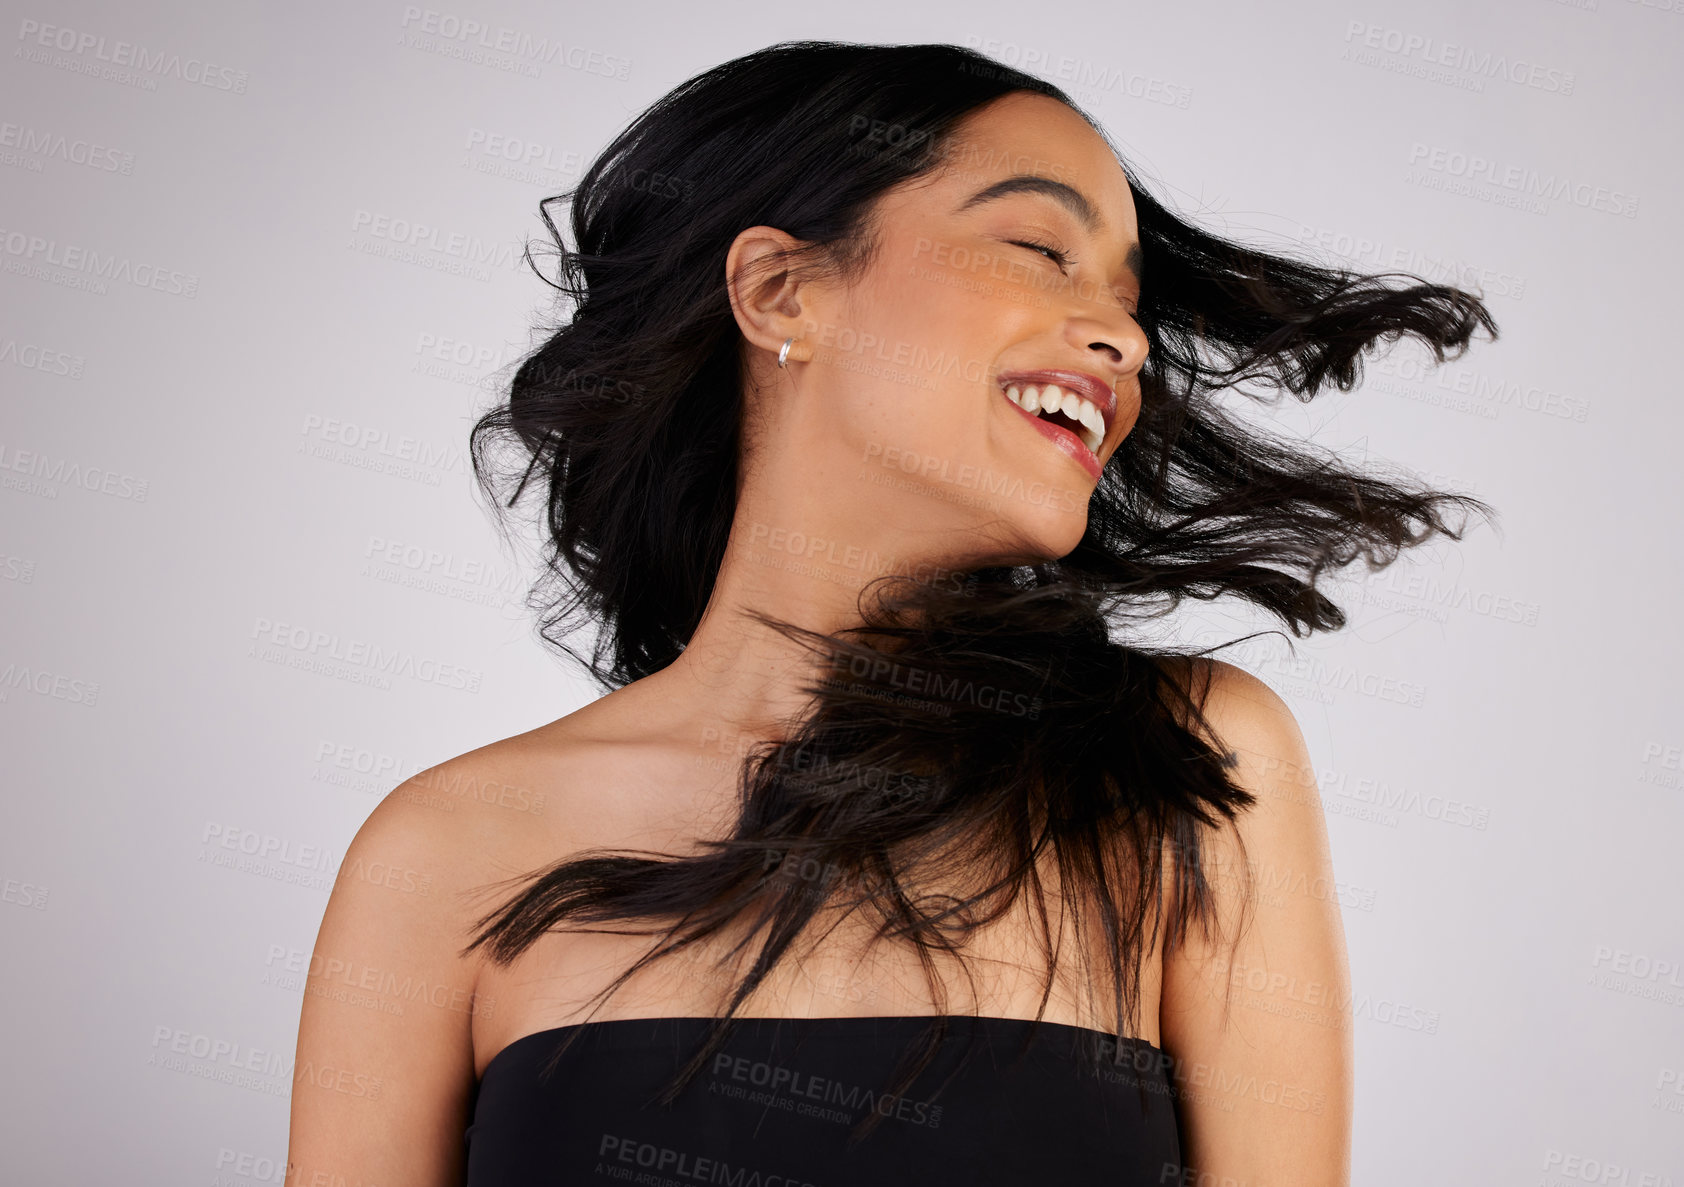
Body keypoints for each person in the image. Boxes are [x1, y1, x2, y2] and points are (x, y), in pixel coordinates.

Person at [286, 40, 1496, 1187]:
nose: (1122, 336)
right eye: (1038, 247)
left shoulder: (1182, 768)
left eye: (1129, 300)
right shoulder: (441, 848)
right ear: (779, 292)